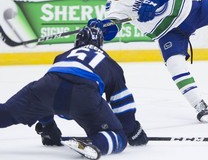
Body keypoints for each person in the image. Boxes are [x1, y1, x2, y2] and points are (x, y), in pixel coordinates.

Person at [0, 26, 148, 157]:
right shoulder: (110, 64)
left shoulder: (62, 56)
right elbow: (122, 102)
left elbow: (47, 97)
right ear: (101, 45)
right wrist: (132, 131)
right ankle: (96, 144)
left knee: (5, 113)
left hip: (46, 87)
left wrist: (48, 128)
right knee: (118, 136)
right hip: (83, 97)